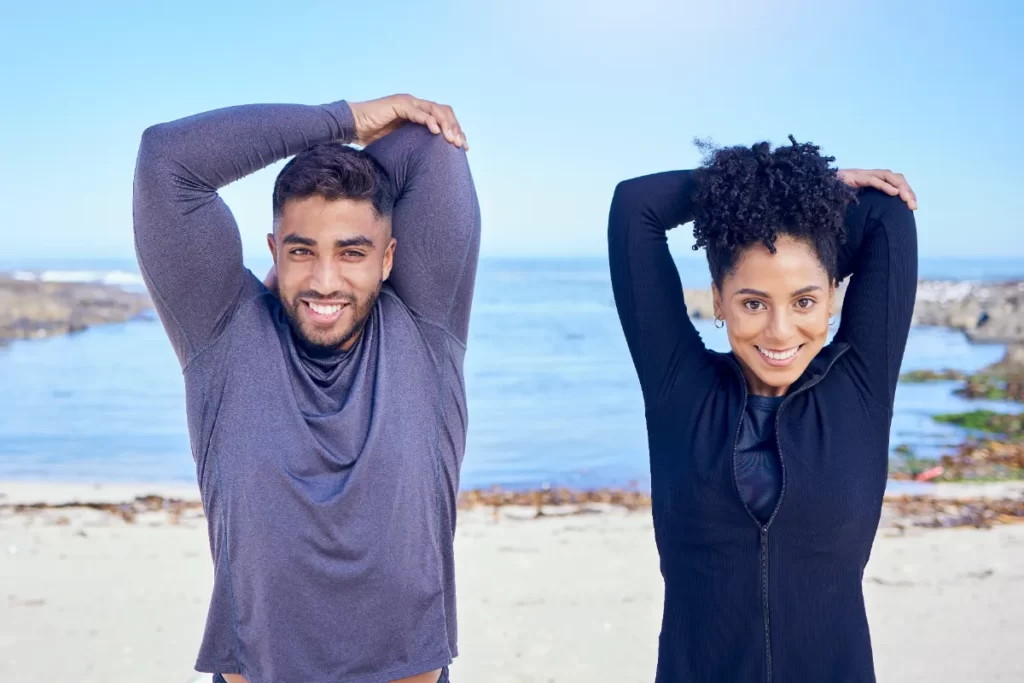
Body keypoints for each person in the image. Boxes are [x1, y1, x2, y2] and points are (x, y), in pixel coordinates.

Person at [133, 93, 479, 683]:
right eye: (301, 251)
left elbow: (430, 144)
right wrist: (345, 119)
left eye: (352, 252)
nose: (324, 280)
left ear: (389, 258)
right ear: (274, 250)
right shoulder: (223, 334)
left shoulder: (425, 329)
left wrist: (356, 145)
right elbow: (167, 158)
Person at [607, 137, 918, 682]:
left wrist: (809, 191)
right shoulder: (679, 388)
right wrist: (762, 184)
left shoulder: (861, 388)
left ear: (830, 300)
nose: (780, 331)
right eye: (753, 302)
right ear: (720, 300)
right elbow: (636, 207)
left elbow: (888, 214)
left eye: (804, 301)